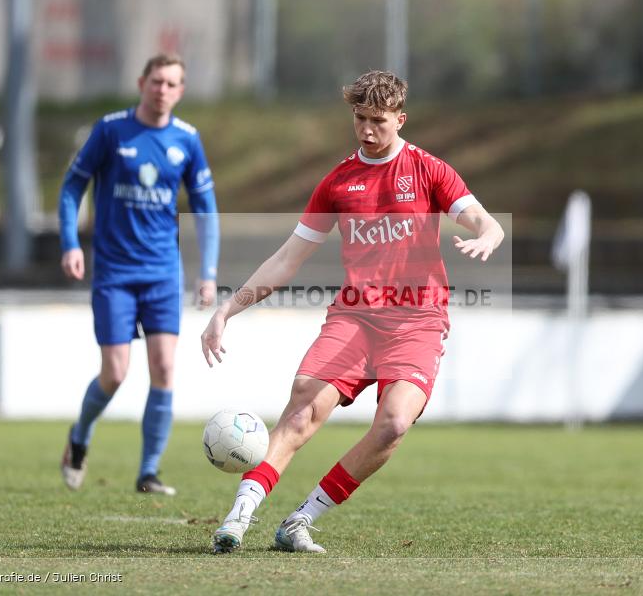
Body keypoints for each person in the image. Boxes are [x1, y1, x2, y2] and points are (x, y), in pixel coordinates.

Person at [201, 70, 504, 552]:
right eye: (359, 118)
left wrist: (489, 233)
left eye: (378, 120)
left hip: (418, 321)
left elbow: (480, 219)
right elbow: (286, 259)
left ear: (400, 119)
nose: (366, 129)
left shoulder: (429, 170)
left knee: (394, 424)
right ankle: (239, 516)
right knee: (302, 409)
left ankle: (301, 520)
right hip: (356, 318)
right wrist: (226, 310)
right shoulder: (338, 183)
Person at [58, 53, 220, 496]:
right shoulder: (112, 129)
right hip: (114, 272)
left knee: (165, 366)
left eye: (171, 83)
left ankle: (148, 472)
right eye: (156, 81)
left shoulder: (187, 139)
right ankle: (80, 436)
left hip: (163, 273)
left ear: (180, 91)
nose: (162, 89)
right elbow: (72, 187)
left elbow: (206, 210)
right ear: (141, 82)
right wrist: (71, 243)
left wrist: (208, 272)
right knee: (115, 372)